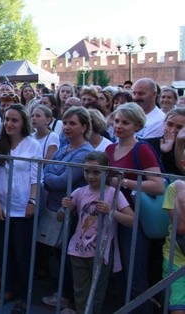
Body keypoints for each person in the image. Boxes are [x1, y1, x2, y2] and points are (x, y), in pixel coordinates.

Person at [105, 102, 165, 313]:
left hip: (135, 220)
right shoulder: (110, 148)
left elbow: (158, 185)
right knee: (118, 271)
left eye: (126, 123)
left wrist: (123, 182)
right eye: (117, 121)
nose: (119, 126)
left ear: (137, 126)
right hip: (113, 215)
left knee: (134, 273)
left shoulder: (143, 148)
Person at [57, 151, 134, 314]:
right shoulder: (79, 192)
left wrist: (110, 211)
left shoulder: (114, 193)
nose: (90, 176)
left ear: (107, 172)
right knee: (80, 292)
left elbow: (131, 220)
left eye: (96, 172)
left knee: (97, 293)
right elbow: (60, 217)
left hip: (101, 252)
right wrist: (64, 207)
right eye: (87, 171)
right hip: (77, 249)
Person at [0, 103, 42, 312]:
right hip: (1, 207)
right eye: (7, 119)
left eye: (14, 120)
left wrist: (32, 201)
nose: (9, 123)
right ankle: (8, 288)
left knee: (22, 253)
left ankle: (25, 295)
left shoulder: (32, 145)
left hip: (22, 208)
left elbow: (37, 177)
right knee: (5, 251)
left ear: (23, 123)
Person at [41, 106, 93, 308]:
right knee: (58, 255)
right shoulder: (64, 148)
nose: (67, 127)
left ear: (84, 127)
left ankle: (68, 299)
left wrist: (50, 176)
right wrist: (51, 175)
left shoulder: (85, 153)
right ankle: (62, 294)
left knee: (69, 259)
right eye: (65, 123)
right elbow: (49, 170)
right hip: (55, 209)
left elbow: (62, 182)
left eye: (73, 123)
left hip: (73, 213)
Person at [162, 180, 185, 314]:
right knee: (178, 310)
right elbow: (181, 227)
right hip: (176, 260)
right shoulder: (175, 188)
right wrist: (182, 194)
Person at [132, 78, 165, 151]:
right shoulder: (130, 116)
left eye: (141, 93)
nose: (136, 97)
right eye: (134, 93)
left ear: (154, 94)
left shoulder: (160, 120)